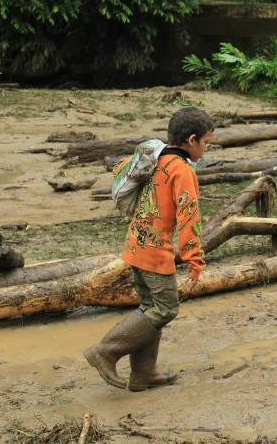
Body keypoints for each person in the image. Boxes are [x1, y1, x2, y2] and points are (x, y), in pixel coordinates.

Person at [84, 107, 214, 391]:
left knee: (149, 308)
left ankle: (143, 374)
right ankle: (105, 351)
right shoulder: (183, 170)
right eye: (205, 142)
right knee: (166, 309)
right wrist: (195, 263)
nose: (206, 149)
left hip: (135, 245)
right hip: (155, 252)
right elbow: (189, 218)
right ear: (191, 140)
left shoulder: (156, 159)